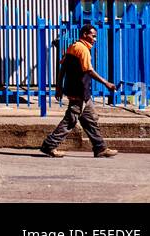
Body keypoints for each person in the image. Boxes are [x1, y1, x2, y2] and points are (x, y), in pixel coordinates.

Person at [40, 24, 118, 158]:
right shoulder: (83, 50)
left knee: (91, 119)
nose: (95, 39)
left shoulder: (73, 47)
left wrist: (59, 87)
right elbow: (88, 70)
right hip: (79, 92)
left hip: (80, 92)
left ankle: (100, 148)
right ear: (85, 35)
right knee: (70, 121)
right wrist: (106, 83)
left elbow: (62, 68)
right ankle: (49, 145)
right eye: (93, 36)